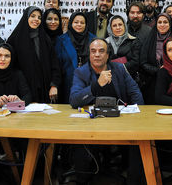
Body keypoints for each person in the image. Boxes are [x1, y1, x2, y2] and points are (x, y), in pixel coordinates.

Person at [69, 38, 144, 185]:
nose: (97, 54)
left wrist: (136, 116)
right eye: (93, 51)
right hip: (90, 123)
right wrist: (97, 85)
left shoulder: (119, 69)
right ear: (89, 54)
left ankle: (133, 180)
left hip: (119, 121)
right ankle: (83, 178)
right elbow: (74, 100)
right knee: (78, 142)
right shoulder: (81, 72)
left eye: (101, 51)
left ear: (108, 55)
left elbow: (136, 94)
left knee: (140, 140)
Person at [7, 6, 61, 103]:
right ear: (26, 17)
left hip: (44, 89)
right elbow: (8, 65)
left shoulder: (45, 39)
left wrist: (54, 85)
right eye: (33, 16)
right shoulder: (14, 39)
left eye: (39, 17)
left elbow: (54, 64)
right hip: (22, 90)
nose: (36, 20)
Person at [140, 13, 172, 104]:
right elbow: (143, 62)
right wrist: (158, 70)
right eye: (159, 22)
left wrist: (170, 69)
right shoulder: (149, 39)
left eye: (165, 22)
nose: (162, 25)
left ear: (170, 24)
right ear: (156, 24)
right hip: (152, 82)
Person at [55, 12, 95, 103]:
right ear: (71, 23)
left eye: (82, 22)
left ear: (86, 24)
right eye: (76, 22)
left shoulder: (93, 39)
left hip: (89, 82)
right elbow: (57, 64)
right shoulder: (61, 40)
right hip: (67, 83)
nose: (79, 25)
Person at [0, 43, 31, 108]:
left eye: (7, 56)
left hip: (16, 115)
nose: (3, 59)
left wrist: (20, 102)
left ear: (12, 58)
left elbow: (27, 95)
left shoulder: (18, 75)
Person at [106, 15, 141, 80]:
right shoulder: (105, 43)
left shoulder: (133, 41)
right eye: (114, 26)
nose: (118, 27)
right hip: (110, 78)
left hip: (129, 78)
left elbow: (135, 62)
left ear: (124, 26)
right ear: (110, 28)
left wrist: (118, 68)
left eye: (120, 24)